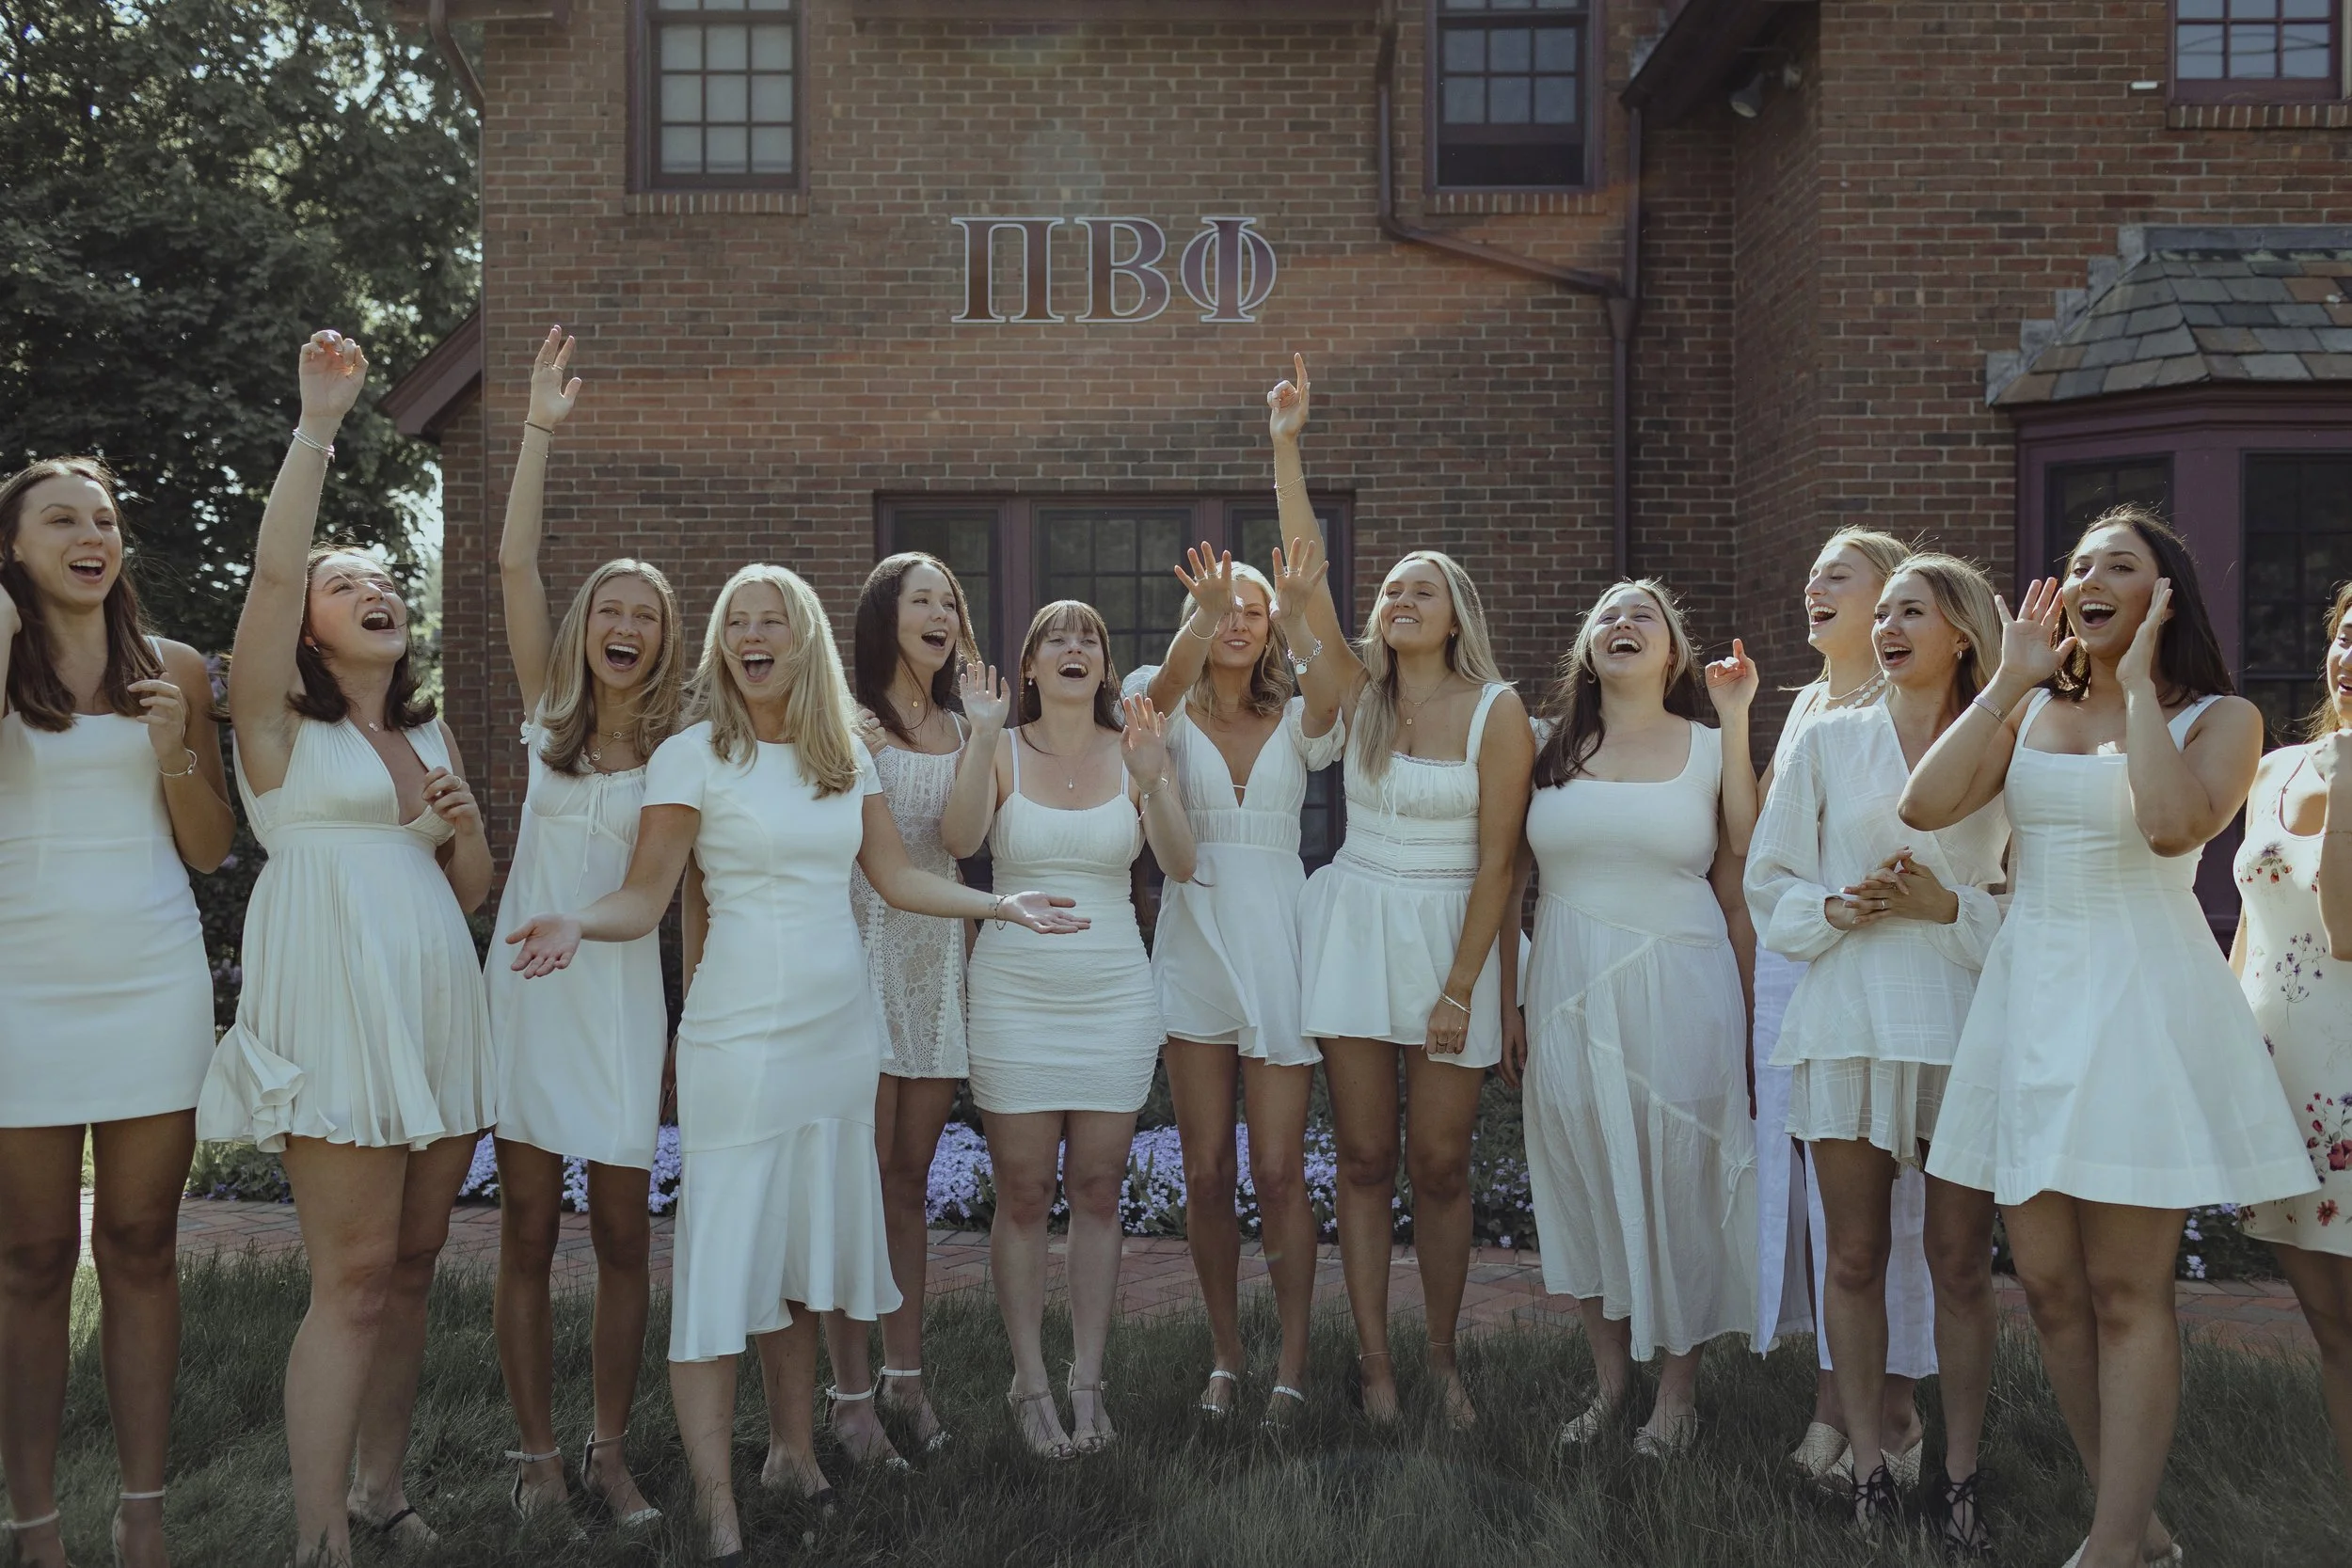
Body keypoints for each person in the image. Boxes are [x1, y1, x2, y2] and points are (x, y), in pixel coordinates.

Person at [507, 564, 1085, 1563]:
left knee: (803, 1252)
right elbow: (646, 896)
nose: (754, 633)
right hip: (737, 1032)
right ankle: (718, 1508)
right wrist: (580, 919)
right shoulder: (692, 754)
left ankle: (794, 1454)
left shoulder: (837, 756)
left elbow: (898, 875)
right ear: (725, 644)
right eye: (739, 620)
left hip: (836, 1032)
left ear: (804, 636)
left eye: (774, 618)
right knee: (724, 1255)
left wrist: (999, 905)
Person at [1903, 505, 2313, 1568]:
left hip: (2139, 994)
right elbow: (1926, 802)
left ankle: (2110, 1545)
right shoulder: (2032, 703)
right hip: (2031, 994)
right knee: (2045, 1282)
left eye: (2117, 566)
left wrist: (2134, 689)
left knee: (2128, 1287)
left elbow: (2176, 825)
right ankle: (2137, 1527)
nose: (2085, 578)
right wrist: (2007, 679)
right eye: (2077, 562)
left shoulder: (2220, 716)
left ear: (2162, 594)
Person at [196, 331, 498, 1566]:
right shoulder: (274, 726)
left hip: (434, 998)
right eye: (345, 581)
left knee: (416, 1261)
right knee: (355, 1271)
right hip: (332, 1003)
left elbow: (468, 893)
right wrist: (318, 426)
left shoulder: (429, 732)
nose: (372, 586)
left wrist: (463, 828)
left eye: (384, 576)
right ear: (313, 635)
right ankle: (320, 1535)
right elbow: (267, 584)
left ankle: (384, 1489)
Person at [1744, 554, 2008, 1547]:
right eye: (1883, 610)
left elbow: (2034, 897)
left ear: (1963, 635)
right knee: (1851, 1254)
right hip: (1849, 1010)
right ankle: (1866, 1468)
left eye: (1913, 611)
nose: (1889, 626)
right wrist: (1832, 905)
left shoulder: (2004, 743)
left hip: (1959, 1015)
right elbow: (1767, 878)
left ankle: (1959, 1474)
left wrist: (1952, 907)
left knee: (1958, 1261)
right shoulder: (1828, 741)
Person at [0, 459, 233, 1568]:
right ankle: (33, 1523)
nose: (92, 535)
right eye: (62, 519)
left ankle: (144, 1513)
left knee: (142, 1241)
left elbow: (208, 846)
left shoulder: (173, 664)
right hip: (18, 985)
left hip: (151, 977)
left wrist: (175, 742)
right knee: (32, 1256)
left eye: (104, 519)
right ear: (15, 549)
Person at [483, 326, 679, 1527]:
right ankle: (536, 1456)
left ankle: (611, 1450)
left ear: (663, 641)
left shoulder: (685, 749)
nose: (622, 623)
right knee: (519, 1217)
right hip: (527, 985)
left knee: (618, 1227)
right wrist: (540, 433)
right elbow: (513, 568)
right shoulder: (549, 708)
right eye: (609, 606)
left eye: (644, 614)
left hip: (615, 995)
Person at [1507, 579, 1759, 1455]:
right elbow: (1506, 877)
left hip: (1682, 982)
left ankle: (1678, 1395)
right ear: (1587, 648)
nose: (1622, 624)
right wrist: (1508, 993)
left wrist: (1738, 719)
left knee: (1677, 1174)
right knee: (1582, 1172)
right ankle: (1612, 1383)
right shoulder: (1547, 749)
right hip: (1567, 980)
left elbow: (1739, 874)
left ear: (1674, 651)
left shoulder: (1707, 742)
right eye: (1607, 615)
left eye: (1643, 614)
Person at [1293, 521, 1535, 1428]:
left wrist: (1464, 987)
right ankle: (1375, 1364)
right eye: (1390, 590)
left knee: (1437, 1163)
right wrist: (1285, 448)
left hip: (1451, 942)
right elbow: (1306, 584)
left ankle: (1441, 1358)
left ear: (1456, 613)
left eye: (1419, 590)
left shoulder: (1496, 708)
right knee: (1362, 1158)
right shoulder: (1356, 693)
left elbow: (1500, 863)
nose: (1399, 601)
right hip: (1357, 928)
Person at [943, 601, 1196, 1458]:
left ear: (1103, 662)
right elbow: (958, 836)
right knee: (1021, 1194)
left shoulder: (1136, 751)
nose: (1076, 646)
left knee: (1096, 1189)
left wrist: (1156, 776)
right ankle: (1030, 1382)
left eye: (1090, 635)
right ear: (1030, 668)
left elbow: (1183, 862)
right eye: (1057, 637)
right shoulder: (1004, 748)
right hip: (1015, 995)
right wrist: (979, 738)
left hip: (1113, 995)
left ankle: (1089, 1384)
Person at [1130, 523, 1345, 1424]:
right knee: (1208, 1169)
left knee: (1280, 1171)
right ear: (1202, 614)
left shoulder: (1298, 720)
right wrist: (1201, 619)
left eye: (1255, 611)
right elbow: (1161, 692)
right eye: (1229, 608)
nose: (1242, 621)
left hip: (1279, 947)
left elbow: (1335, 694)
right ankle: (1227, 1357)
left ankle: (1293, 1367)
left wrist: (1300, 616)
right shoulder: (1162, 703)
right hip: (1193, 945)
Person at [1752, 528, 1939, 1490]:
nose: (1813, 585)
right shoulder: (1808, 707)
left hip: (1895, 962)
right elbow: (1766, 846)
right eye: (1812, 571)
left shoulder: (1910, 711)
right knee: (1833, 1201)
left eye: (1839, 574)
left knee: (1893, 1202)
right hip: (1800, 958)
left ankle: (1886, 1402)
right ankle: (1838, 1391)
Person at [824, 549, 986, 1460]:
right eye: (922, 598)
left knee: (904, 1183)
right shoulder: (840, 721)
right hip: (855, 942)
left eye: (950, 601)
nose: (940, 612)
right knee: (853, 1179)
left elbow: (963, 840)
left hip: (933, 949)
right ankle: (847, 1397)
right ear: (884, 615)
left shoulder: (966, 725)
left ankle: (905, 1379)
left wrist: (991, 733)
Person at [2231, 578, 2352, 1490]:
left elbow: (2343, 924)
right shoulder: (2270, 770)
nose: (2348, 656)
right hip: (2278, 1079)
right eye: (2345, 635)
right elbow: (2248, 924)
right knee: (2330, 1326)